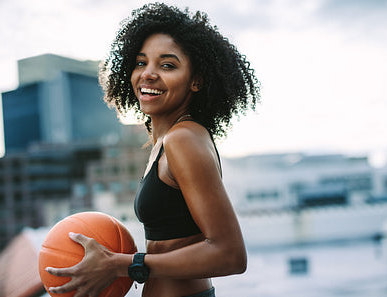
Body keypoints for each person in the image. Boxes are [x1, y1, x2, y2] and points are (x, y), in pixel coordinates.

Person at [45, 3, 260, 297]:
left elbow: (230, 254)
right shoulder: (167, 140)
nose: (148, 74)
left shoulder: (183, 139)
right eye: (141, 62)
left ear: (196, 80)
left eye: (167, 65)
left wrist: (121, 264)